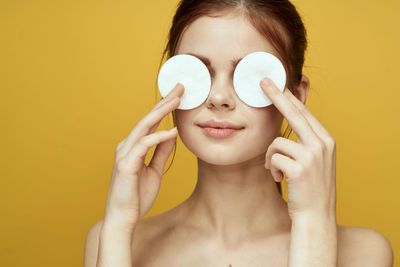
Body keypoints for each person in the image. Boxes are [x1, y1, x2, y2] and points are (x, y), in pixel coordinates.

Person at [84, 1, 394, 266]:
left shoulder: (362, 254)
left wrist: (314, 225)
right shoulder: (114, 238)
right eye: (197, 73)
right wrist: (119, 223)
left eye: (250, 74)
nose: (219, 97)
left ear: (296, 96)